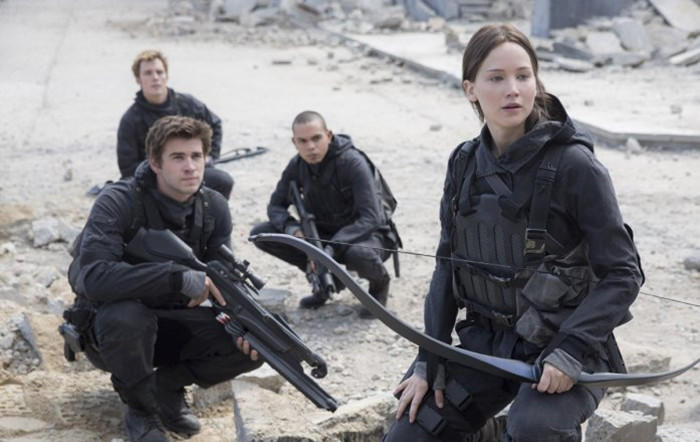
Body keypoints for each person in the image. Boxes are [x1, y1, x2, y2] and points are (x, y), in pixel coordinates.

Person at [383, 24, 644, 442]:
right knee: (410, 430)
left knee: (533, 428)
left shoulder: (577, 166)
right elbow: (447, 266)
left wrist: (570, 350)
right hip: (487, 344)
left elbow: (624, 274)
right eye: (496, 78)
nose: (513, 90)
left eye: (524, 76)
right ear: (470, 90)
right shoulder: (464, 163)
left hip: (564, 346)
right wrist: (427, 360)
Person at [68, 116, 262, 442]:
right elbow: (93, 277)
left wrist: (244, 327)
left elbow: (220, 280)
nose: (190, 167)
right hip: (112, 332)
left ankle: (167, 387)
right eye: (178, 157)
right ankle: (141, 410)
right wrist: (174, 278)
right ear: (155, 163)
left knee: (259, 339)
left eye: (197, 156)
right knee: (127, 317)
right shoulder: (119, 201)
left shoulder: (213, 206)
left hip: (174, 321)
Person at [249, 111, 399, 318]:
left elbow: (371, 217)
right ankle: (325, 279)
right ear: (294, 143)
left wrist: (331, 248)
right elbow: (275, 206)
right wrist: (293, 230)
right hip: (322, 235)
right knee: (262, 234)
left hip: (364, 235)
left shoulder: (353, 162)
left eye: (316, 138)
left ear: (328, 136)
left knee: (359, 254)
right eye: (303, 141)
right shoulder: (297, 165)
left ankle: (379, 286)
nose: (310, 147)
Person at [117, 49, 234, 199]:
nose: (155, 77)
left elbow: (215, 124)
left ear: (166, 76)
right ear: (138, 79)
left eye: (159, 72)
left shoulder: (188, 104)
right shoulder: (130, 120)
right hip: (154, 181)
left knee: (223, 181)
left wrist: (209, 156)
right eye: (148, 73)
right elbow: (128, 168)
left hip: (190, 170)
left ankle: (205, 213)